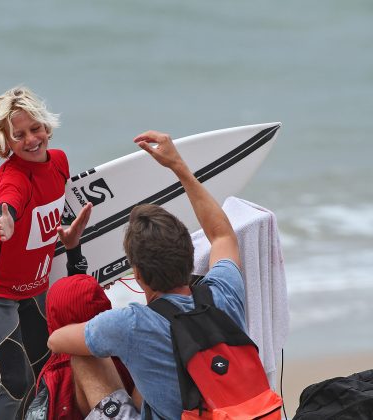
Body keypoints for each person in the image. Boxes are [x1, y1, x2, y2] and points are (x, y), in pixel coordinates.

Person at [47, 130, 246, 419]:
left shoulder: (131, 324)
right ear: (190, 255)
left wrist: (103, 332)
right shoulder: (224, 292)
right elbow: (221, 235)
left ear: (137, 275)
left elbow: (57, 340)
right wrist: (179, 167)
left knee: (84, 352)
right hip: (239, 412)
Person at [0, 86, 71, 419]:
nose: (31, 139)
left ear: (47, 126)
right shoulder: (13, 175)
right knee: (15, 382)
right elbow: (10, 199)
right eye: (19, 135)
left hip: (37, 289)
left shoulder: (59, 162)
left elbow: (56, 207)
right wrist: (7, 218)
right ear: (7, 144)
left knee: (41, 373)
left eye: (36, 128)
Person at [25, 203, 135, 420]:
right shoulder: (127, 358)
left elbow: (72, 309)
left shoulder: (60, 373)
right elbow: (81, 308)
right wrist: (73, 252)